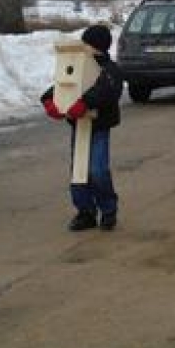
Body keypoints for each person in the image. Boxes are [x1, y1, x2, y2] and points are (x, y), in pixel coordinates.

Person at [40, 25, 123, 232]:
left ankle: (108, 209)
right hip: (79, 126)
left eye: (88, 44)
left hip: (99, 127)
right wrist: (51, 101)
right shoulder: (77, 64)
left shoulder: (109, 69)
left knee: (97, 170)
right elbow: (62, 84)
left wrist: (85, 102)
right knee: (78, 172)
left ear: (98, 47)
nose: (84, 48)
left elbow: (106, 90)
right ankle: (85, 211)